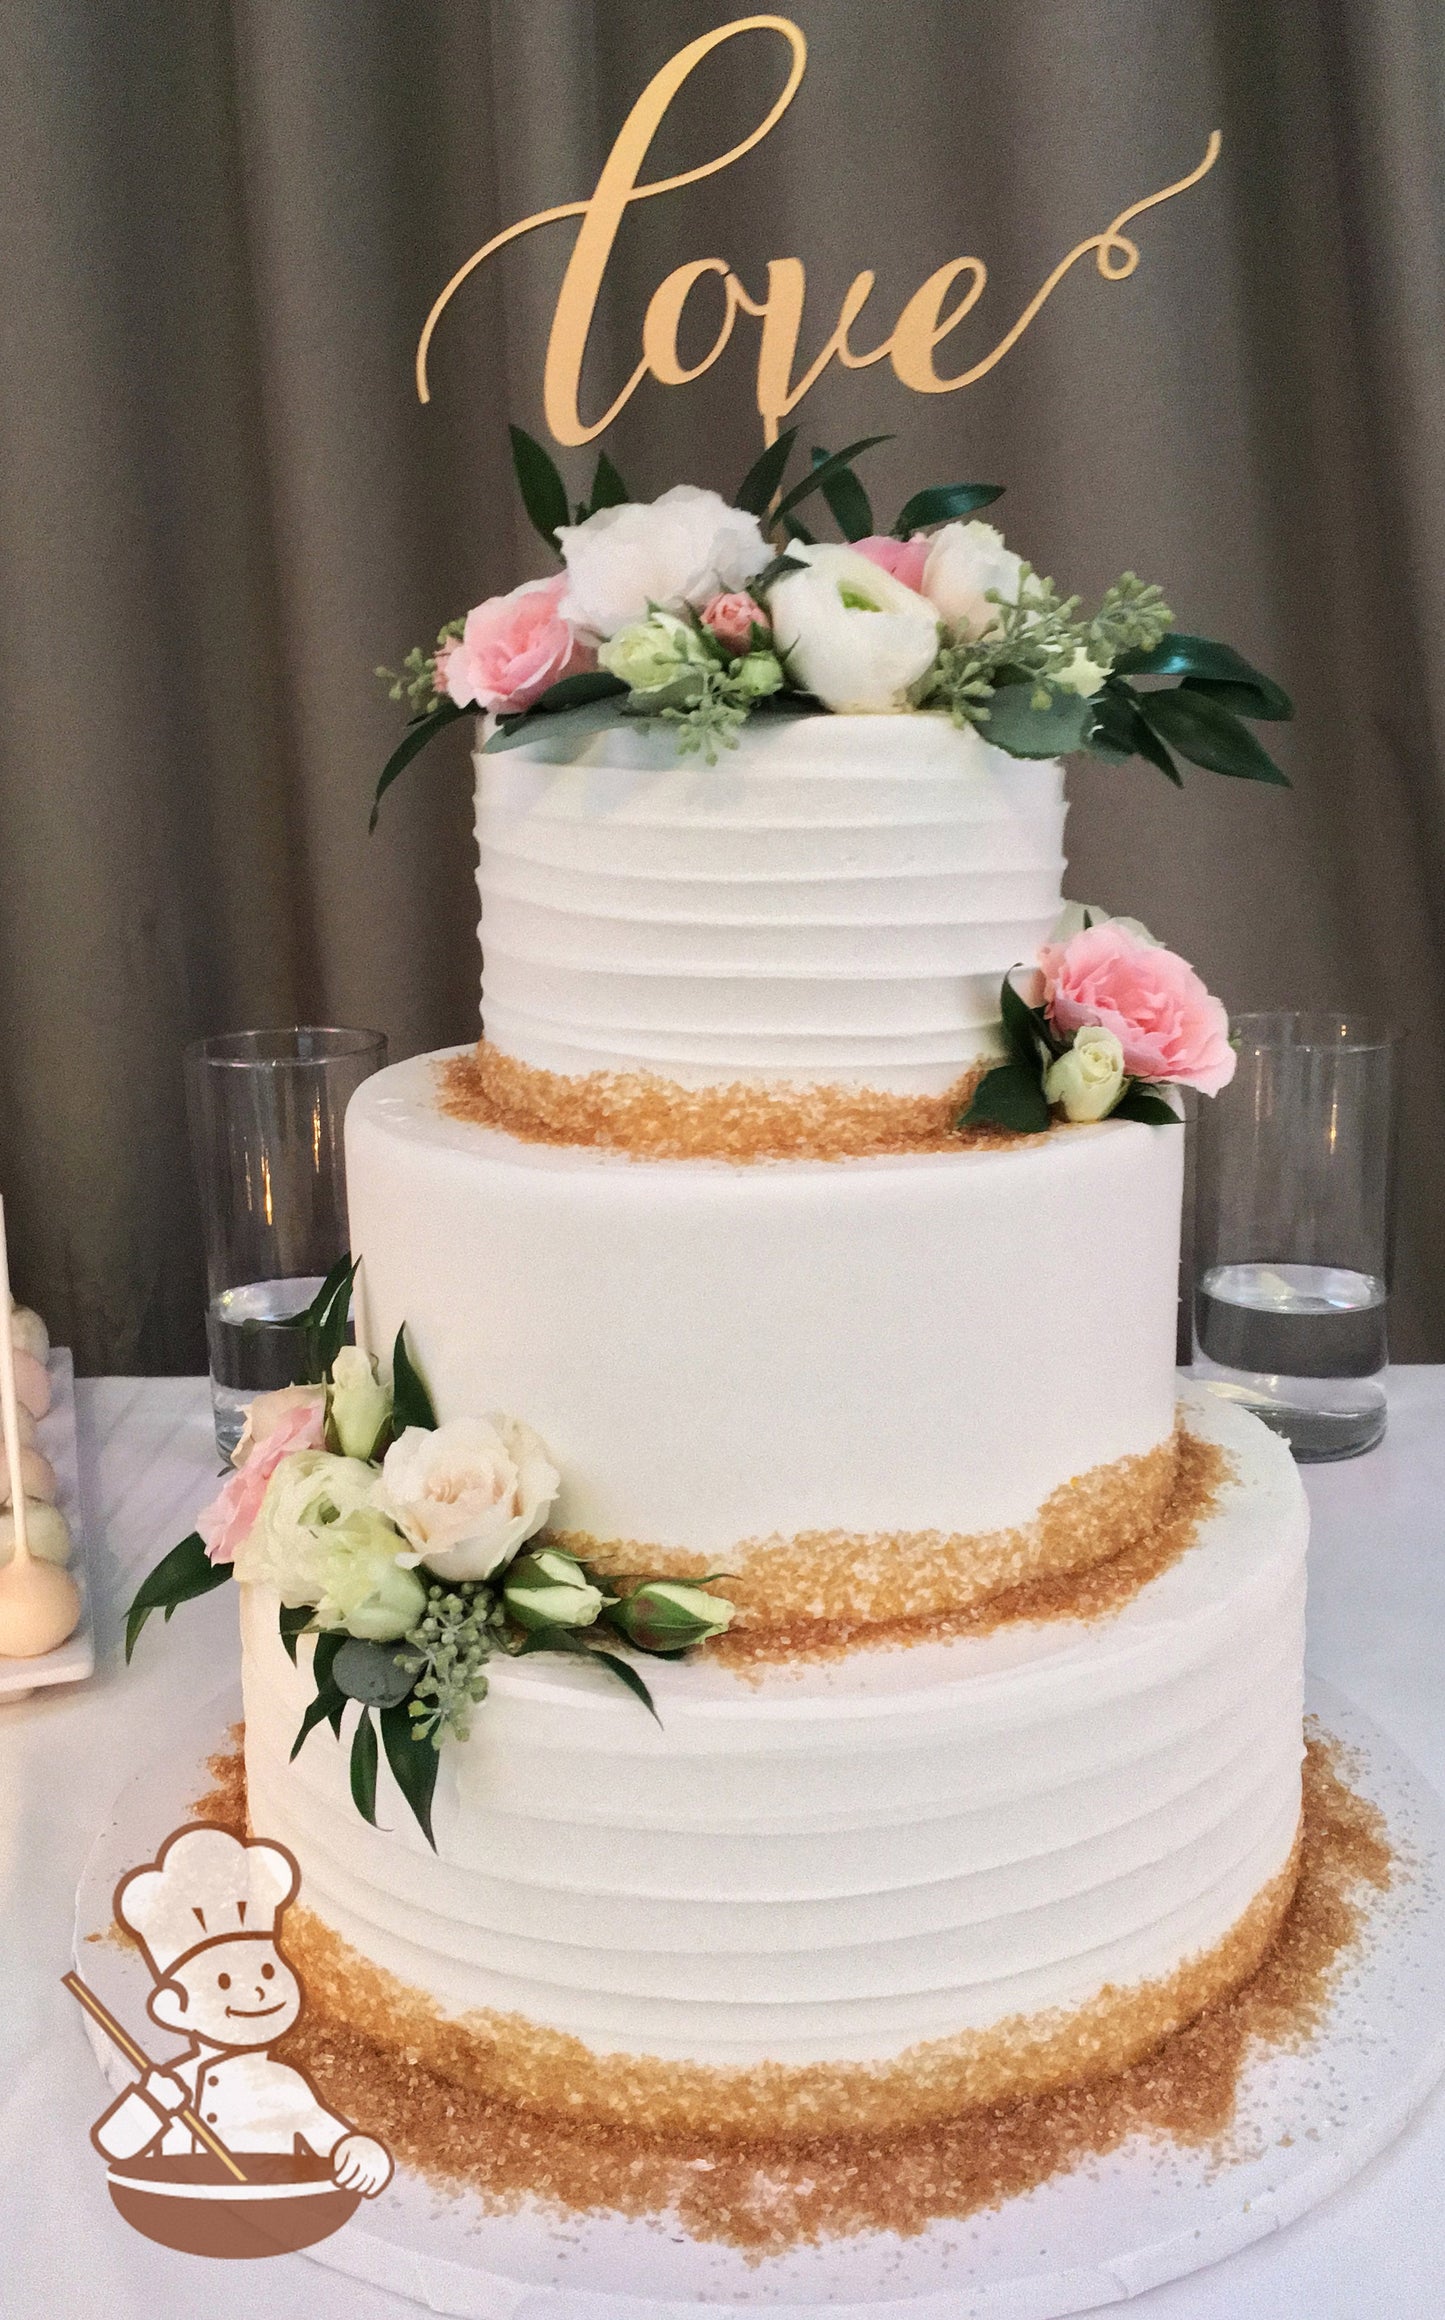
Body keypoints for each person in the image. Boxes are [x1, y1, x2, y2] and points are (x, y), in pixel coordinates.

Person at [91, 1822, 391, 2195]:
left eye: (268, 1971)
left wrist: (360, 2152)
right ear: (174, 2008)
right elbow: (115, 2145)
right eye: (223, 1982)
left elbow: (333, 2140)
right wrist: (152, 2102)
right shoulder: (175, 2083)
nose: (258, 1991)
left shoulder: (285, 2084)